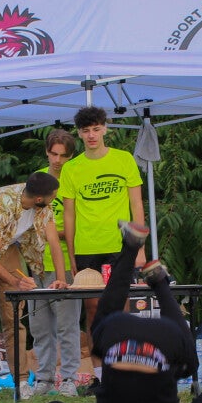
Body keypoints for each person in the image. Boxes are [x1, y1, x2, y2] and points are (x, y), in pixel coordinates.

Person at [44, 223, 202, 403]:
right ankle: (138, 257)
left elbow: (189, 368)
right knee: (104, 319)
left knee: (199, 375)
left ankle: (158, 280)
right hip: (127, 336)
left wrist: (169, 370)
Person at [0, 171, 63, 402]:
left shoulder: (42, 206)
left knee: (14, 319)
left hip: (8, 249)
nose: (54, 199)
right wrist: (16, 282)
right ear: (39, 198)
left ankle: (22, 380)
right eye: (53, 196)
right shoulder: (2, 204)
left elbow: (54, 243)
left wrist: (60, 279)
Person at [59, 107, 144, 343]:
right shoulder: (71, 168)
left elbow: (137, 205)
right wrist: (72, 254)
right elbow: (69, 215)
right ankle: (98, 366)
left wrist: (139, 248)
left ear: (105, 129)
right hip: (87, 248)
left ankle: (121, 362)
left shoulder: (124, 159)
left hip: (120, 245)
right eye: (86, 130)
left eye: (96, 129)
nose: (92, 135)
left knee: (121, 307)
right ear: (79, 133)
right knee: (93, 310)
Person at [32, 129, 84, 397]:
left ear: (71, 156)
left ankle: (70, 379)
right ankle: (44, 378)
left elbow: (82, 223)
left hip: (65, 262)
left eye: (63, 156)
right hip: (38, 263)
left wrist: (58, 234)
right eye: (53, 154)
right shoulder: (38, 178)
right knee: (40, 326)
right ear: (46, 152)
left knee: (67, 325)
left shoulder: (76, 178)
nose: (57, 160)